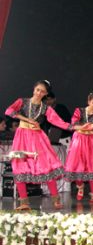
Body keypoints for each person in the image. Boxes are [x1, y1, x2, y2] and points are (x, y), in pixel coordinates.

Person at [4, 79, 74, 210]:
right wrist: (27, 119)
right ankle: (24, 203)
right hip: (22, 137)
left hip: (38, 139)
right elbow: (8, 111)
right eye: (37, 90)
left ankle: (56, 200)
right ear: (33, 89)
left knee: (45, 166)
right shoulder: (22, 102)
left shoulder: (45, 108)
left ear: (46, 94)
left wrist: (75, 127)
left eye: (42, 91)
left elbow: (58, 121)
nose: (39, 93)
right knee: (19, 165)